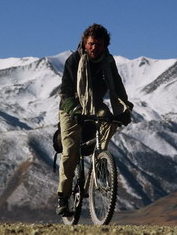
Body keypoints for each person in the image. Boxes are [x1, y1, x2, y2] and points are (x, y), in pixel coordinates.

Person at [56, 23, 134, 216]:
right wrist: (73, 108)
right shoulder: (74, 60)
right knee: (70, 152)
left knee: (109, 123)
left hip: (96, 105)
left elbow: (117, 85)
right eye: (91, 43)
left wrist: (124, 108)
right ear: (85, 42)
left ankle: (100, 158)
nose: (94, 48)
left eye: (98, 44)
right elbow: (65, 91)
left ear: (105, 45)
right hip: (71, 108)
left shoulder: (108, 62)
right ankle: (63, 197)